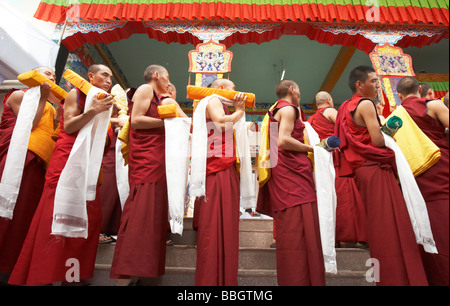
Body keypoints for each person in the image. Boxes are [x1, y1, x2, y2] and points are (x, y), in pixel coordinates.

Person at [8, 64, 114, 286]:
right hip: (66, 161)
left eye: (111, 77)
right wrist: (93, 111)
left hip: (88, 167)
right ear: (91, 76)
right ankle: (42, 276)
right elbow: (71, 127)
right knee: (53, 215)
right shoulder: (76, 94)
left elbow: (103, 140)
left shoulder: (104, 101)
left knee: (87, 217)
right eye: (105, 75)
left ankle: (71, 277)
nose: (109, 80)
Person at [333, 65, 428, 286]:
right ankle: (399, 277)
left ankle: (388, 277)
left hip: (363, 171)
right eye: (374, 81)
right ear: (359, 84)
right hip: (375, 167)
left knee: (379, 225)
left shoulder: (345, 107)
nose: (378, 85)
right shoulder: (366, 104)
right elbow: (377, 140)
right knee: (391, 224)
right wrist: (393, 130)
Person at [110, 65, 186, 285]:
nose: (170, 82)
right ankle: (125, 274)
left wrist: (172, 102)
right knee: (140, 211)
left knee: (152, 215)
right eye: (168, 77)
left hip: (161, 162)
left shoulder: (163, 99)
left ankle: (144, 271)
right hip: (147, 161)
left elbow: (184, 124)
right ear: (157, 75)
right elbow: (136, 120)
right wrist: (167, 124)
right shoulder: (145, 89)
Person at [257, 80, 325, 286]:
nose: (301, 95)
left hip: (285, 174)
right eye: (300, 90)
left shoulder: (274, 111)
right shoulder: (289, 109)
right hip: (294, 178)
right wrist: (314, 149)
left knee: (291, 231)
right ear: (292, 90)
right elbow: (284, 141)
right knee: (300, 230)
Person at [0, 67, 61, 282]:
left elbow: (50, 133)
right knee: (10, 211)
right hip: (21, 159)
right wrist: (43, 99)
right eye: (47, 73)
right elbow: (29, 125)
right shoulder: (19, 95)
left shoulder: (52, 108)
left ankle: (12, 265)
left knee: (25, 215)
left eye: (54, 75)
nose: (52, 77)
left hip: (40, 162)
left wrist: (58, 118)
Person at [191, 78, 247, 286]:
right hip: (218, 167)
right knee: (217, 224)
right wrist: (239, 111)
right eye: (234, 88)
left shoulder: (216, 103)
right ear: (222, 89)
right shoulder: (214, 99)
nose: (236, 93)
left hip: (221, 164)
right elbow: (221, 124)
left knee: (224, 223)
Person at [396, 76, 449, 286]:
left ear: (399, 96)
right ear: (420, 89)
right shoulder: (434, 105)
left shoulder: (395, 117)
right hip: (443, 165)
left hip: (418, 177)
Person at [307, 91, 368, 248]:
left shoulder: (311, 120)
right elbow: (345, 127)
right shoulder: (330, 111)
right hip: (337, 159)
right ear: (329, 100)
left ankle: (333, 237)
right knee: (346, 196)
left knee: (329, 198)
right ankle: (352, 235)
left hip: (322, 163)